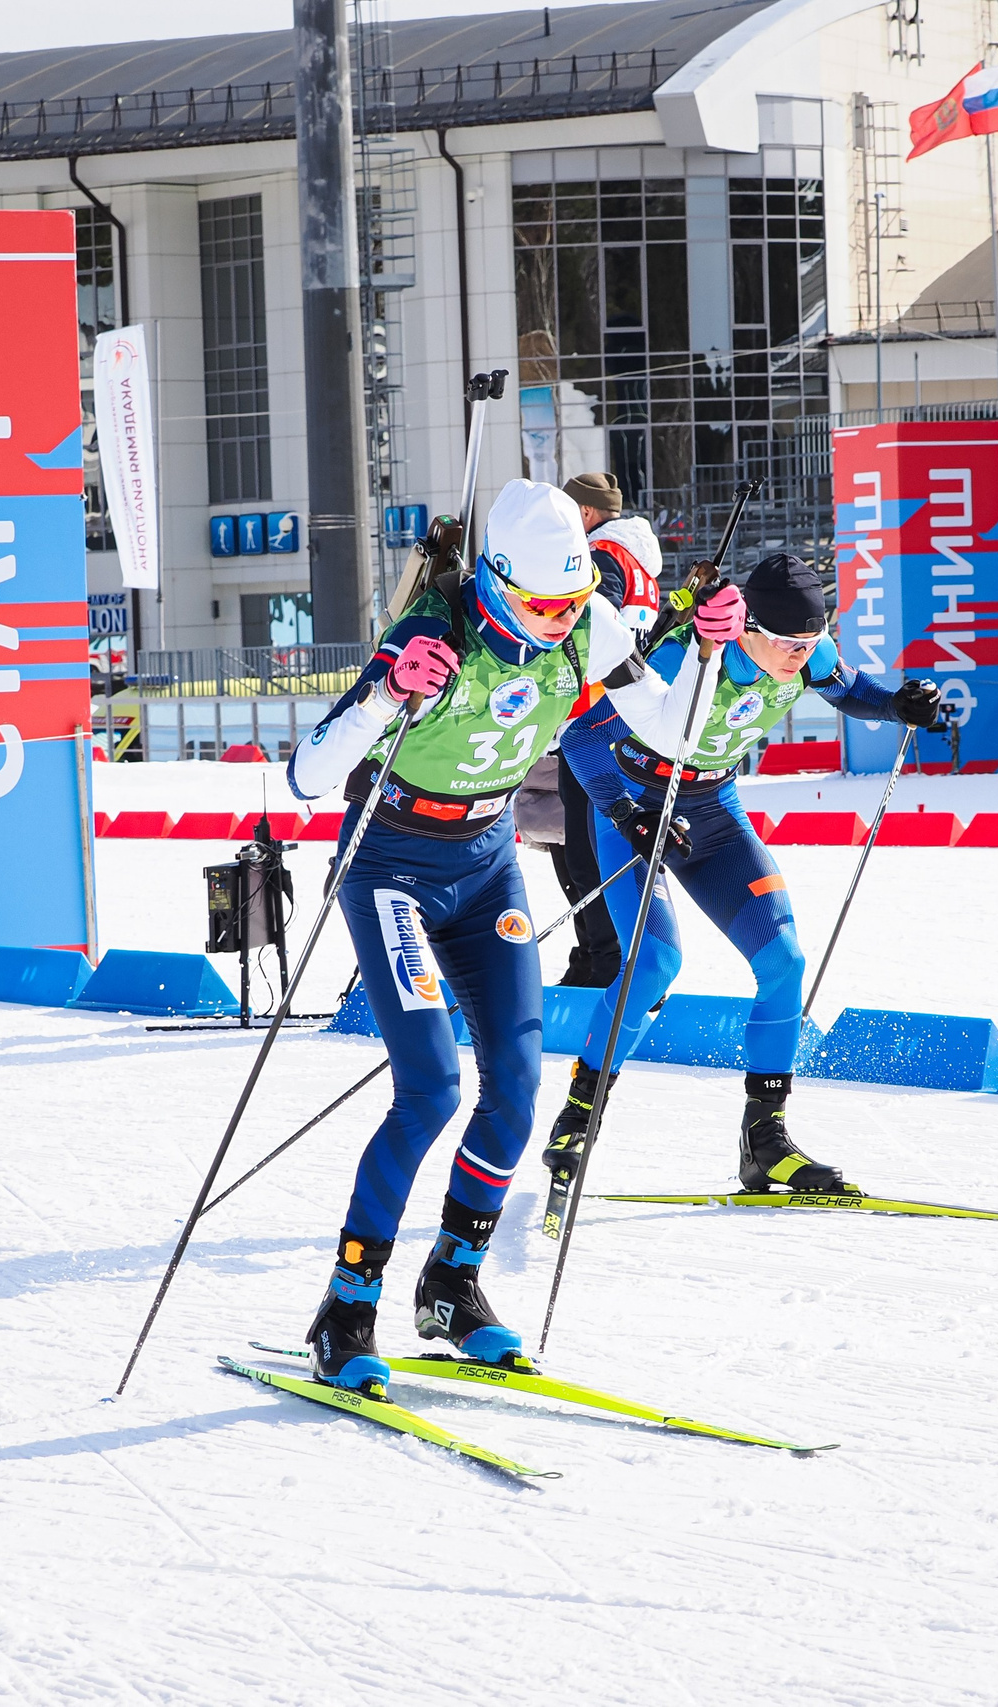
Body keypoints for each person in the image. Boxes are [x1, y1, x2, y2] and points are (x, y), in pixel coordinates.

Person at [284, 477, 744, 1393]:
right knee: (429, 1090)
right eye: (537, 602)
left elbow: (672, 730)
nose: (555, 620)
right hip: (391, 864)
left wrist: (706, 651)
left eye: (571, 601)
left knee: (518, 1086)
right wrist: (384, 695)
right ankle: (346, 1303)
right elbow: (306, 773)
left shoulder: (582, 622)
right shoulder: (437, 633)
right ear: (494, 579)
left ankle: (452, 1283)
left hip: (486, 860)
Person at [545, 551, 952, 1202]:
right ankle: (576, 1120)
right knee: (653, 963)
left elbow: (847, 687)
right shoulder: (687, 658)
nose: (801, 656)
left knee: (785, 960)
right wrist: (626, 815)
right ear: (746, 629)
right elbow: (583, 739)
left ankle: (766, 1144)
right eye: (788, 643)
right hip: (635, 808)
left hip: (711, 809)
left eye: (810, 641)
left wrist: (900, 704)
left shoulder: (806, 650)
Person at [545, 470, 665, 986]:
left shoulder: (599, 558)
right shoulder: (640, 560)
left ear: (587, 515)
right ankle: (608, 957)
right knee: (599, 841)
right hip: (627, 717)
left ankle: (604, 961)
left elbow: (595, 621)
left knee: (580, 849)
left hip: (591, 719)